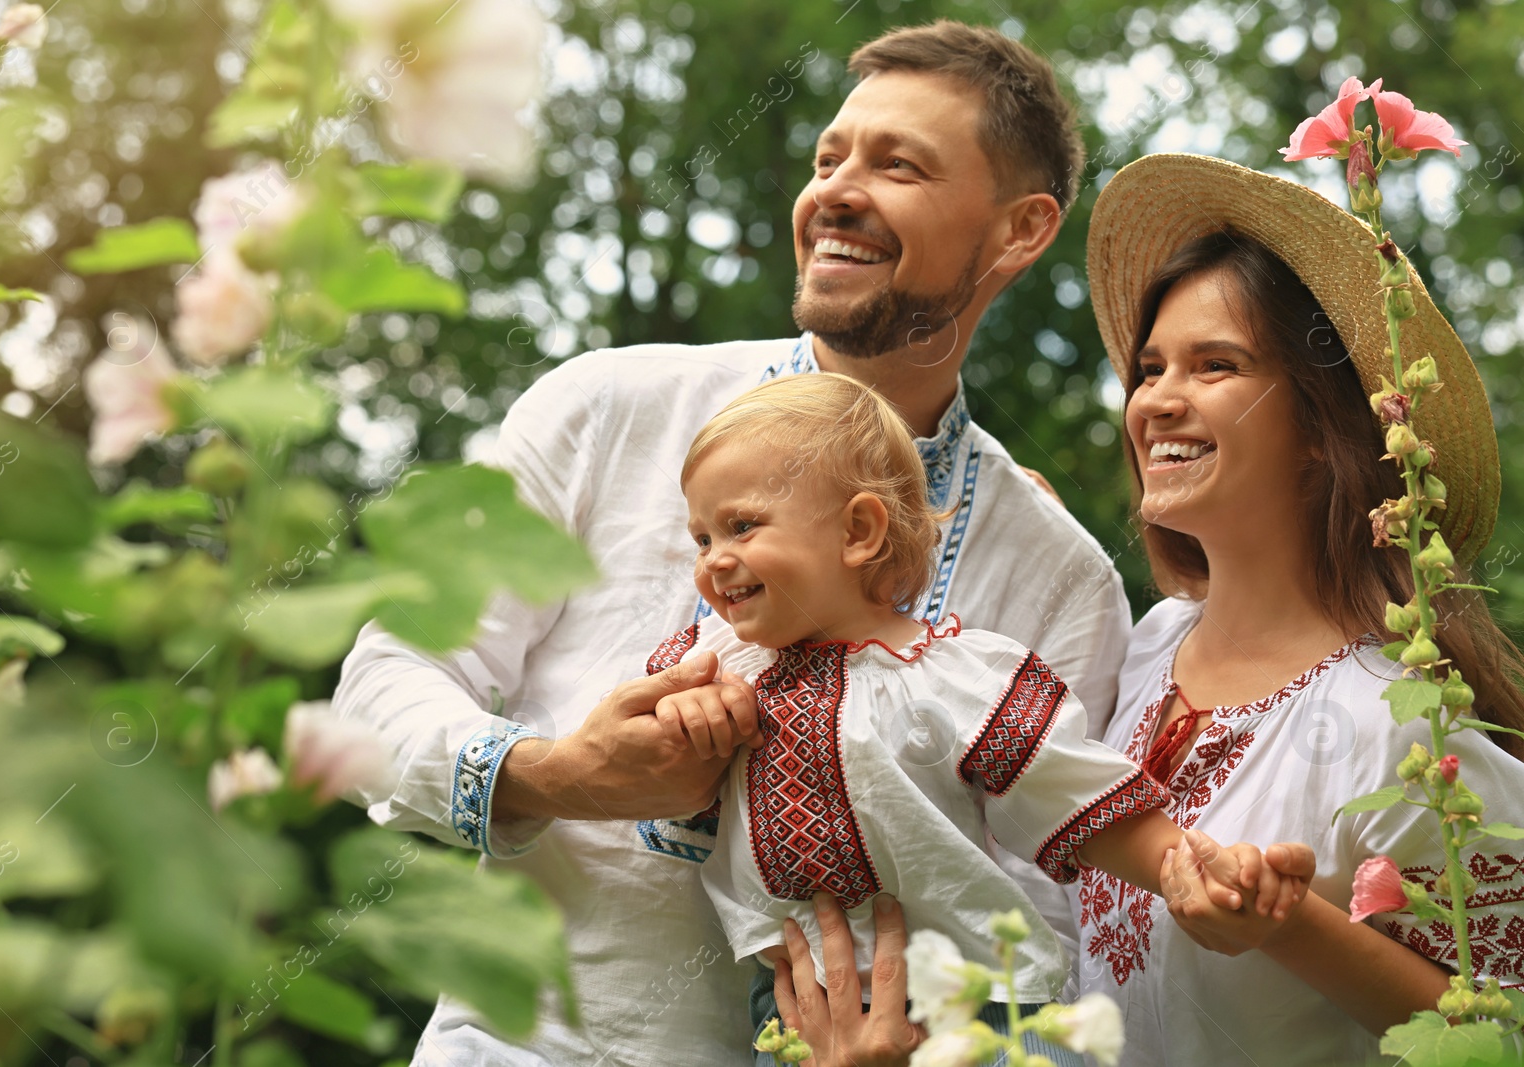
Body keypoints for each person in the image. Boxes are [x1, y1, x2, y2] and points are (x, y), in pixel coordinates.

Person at [332, 20, 1135, 1067]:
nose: (836, 193)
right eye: (828, 158)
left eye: (900, 166)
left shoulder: (1058, 579)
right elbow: (384, 682)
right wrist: (560, 771)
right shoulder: (602, 410)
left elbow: (1041, 920)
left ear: (1021, 231)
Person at [651, 373, 1299, 1065]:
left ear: (858, 530)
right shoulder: (716, 665)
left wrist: (1189, 867)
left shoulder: (953, 676)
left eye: (741, 525)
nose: (714, 559)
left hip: (980, 1007)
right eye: (700, 537)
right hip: (794, 1018)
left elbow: (1073, 796)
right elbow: (646, 763)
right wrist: (678, 713)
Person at [1074, 153, 1524, 1065]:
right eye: (1150, 368)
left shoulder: (1402, 723)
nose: (1158, 400)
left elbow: (1498, 1031)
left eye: (1215, 365)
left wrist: (1286, 926)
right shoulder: (1148, 646)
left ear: (1321, 427)